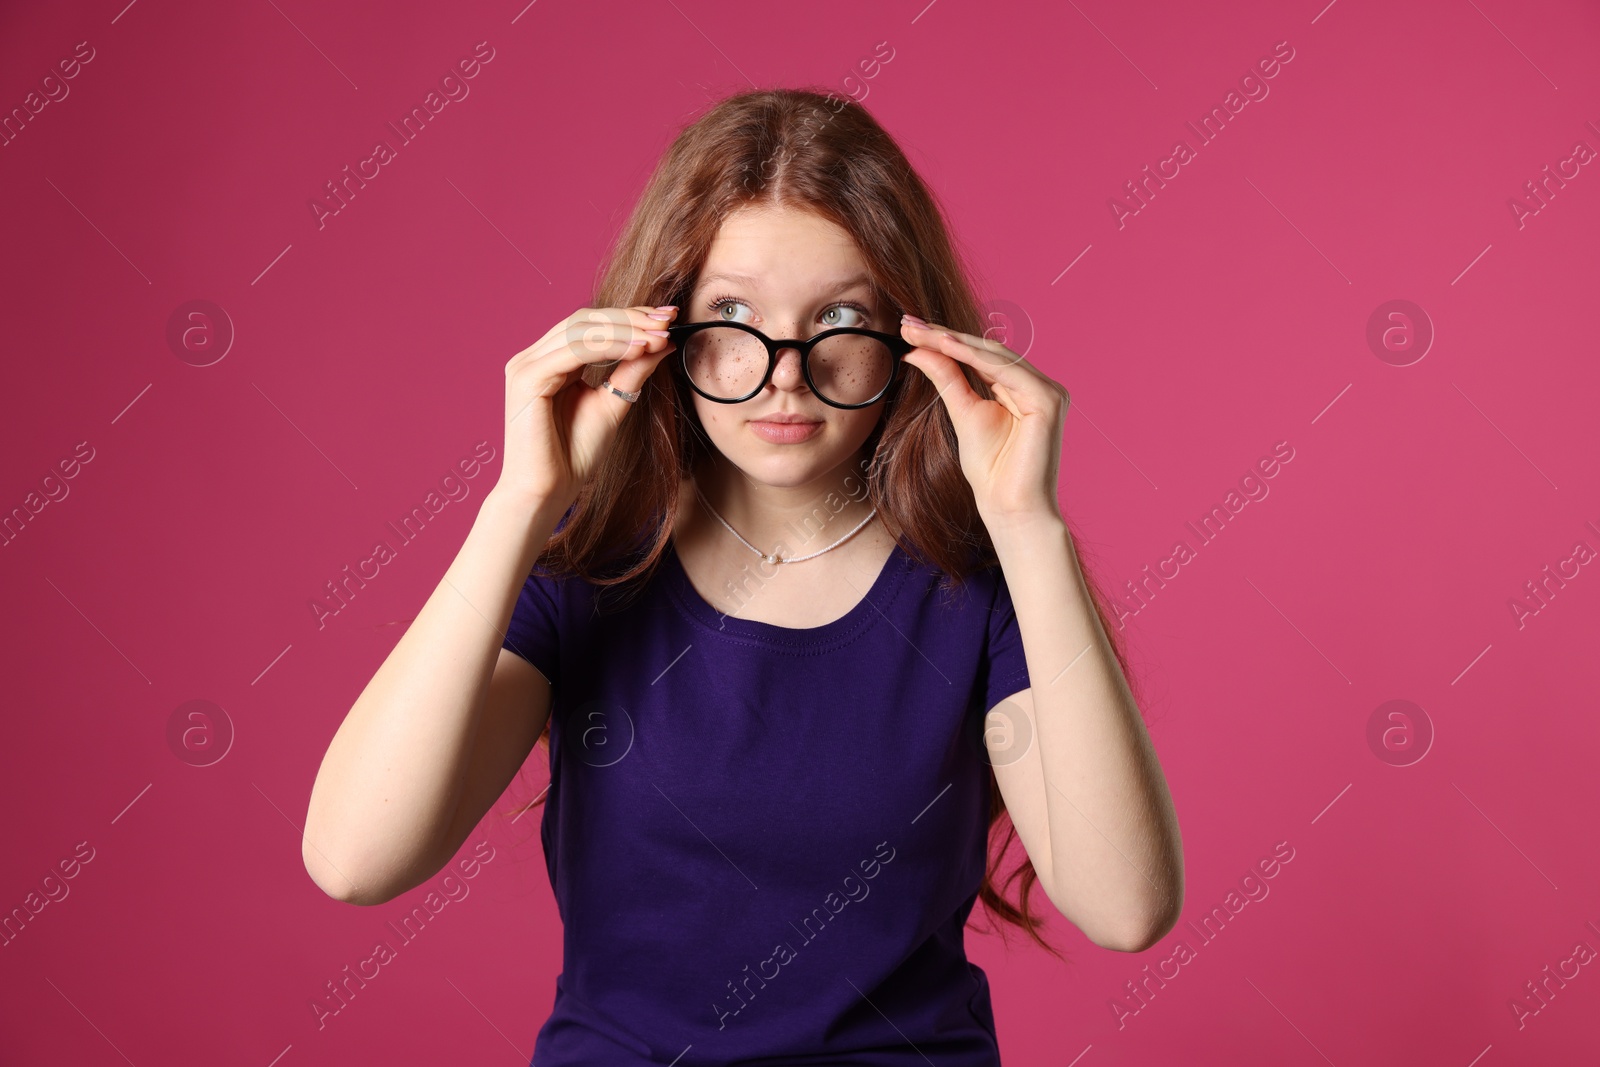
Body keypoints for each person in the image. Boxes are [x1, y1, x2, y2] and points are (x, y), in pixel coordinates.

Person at [302, 87, 1183, 1065]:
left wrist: (1029, 524)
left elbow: (1125, 906)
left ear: (909, 331)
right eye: (733, 314)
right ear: (662, 327)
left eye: (840, 315)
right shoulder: (592, 571)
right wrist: (517, 504)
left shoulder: (976, 590)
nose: (785, 374)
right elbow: (354, 859)